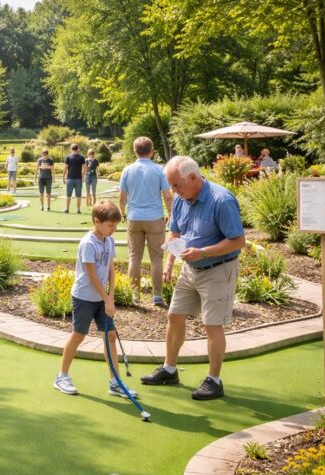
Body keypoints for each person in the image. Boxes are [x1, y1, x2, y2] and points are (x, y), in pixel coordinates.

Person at [140, 156, 245, 401]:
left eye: (177, 185)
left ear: (194, 178)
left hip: (218, 269)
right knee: (174, 316)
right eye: (172, 186)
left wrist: (204, 252)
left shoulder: (222, 200)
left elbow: (238, 241)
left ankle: (214, 381)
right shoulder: (180, 199)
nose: (173, 191)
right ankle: (169, 369)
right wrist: (169, 262)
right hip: (190, 270)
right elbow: (175, 230)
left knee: (212, 325)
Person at [53, 200, 138, 399]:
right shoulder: (87, 243)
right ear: (96, 221)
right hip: (84, 297)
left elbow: (110, 269)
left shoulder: (109, 241)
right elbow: (91, 275)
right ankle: (61, 376)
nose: (113, 230)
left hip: (102, 298)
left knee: (110, 336)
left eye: (115, 226)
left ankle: (115, 382)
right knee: (78, 335)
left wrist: (111, 296)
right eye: (110, 226)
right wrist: (106, 299)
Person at [119, 136, 173, 306]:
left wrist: (123, 213)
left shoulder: (127, 170)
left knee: (134, 257)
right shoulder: (159, 170)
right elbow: (168, 196)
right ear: (152, 151)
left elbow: (122, 198)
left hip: (134, 217)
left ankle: (135, 295)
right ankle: (157, 296)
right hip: (155, 218)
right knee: (157, 258)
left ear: (135, 151)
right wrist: (171, 215)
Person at [63, 144, 86, 214]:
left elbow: (65, 168)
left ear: (71, 149)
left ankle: (67, 209)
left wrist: (63, 177)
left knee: (68, 195)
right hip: (78, 179)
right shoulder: (82, 157)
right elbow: (85, 168)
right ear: (77, 149)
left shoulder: (68, 157)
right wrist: (82, 175)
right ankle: (78, 210)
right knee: (78, 195)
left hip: (69, 178)